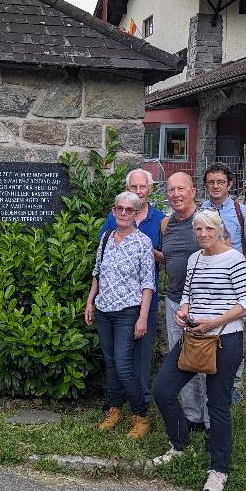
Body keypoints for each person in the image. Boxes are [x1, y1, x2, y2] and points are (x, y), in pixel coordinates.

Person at [152, 210, 246, 491]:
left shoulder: (234, 259)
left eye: (208, 229)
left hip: (225, 340)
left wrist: (214, 322)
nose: (203, 234)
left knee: (218, 404)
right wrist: (183, 311)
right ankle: (179, 444)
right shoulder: (195, 259)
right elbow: (187, 293)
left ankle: (219, 469)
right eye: (198, 230)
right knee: (162, 389)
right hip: (194, 338)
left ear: (219, 230)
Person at [85, 191, 155, 439]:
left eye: (129, 210)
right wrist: (90, 301)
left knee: (124, 365)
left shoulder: (142, 242)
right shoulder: (105, 238)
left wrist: (143, 317)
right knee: (111, 363)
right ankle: (114, 410)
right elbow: (97, 273)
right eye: (119, 209)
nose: (123, 213)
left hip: (128, 312)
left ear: (136, 214)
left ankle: (140, 416)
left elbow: (148, 283)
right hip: (104, 310)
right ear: (113, 211)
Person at [99, 168, 165, 406]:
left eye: (142, 187)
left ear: (150, 189)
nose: (138, 191)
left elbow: (167, 257)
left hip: (144, 297)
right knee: (118, 357)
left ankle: (142, 402)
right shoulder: (115, 218)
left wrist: (145, 250)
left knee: (140, 355)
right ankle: (119, 403)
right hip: (113, 301)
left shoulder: (159, 219)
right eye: (133, 187)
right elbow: (103, 255)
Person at [199, 161, 246, 403]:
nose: (215, 186)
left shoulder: (240, 212)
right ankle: (207, 374)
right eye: (211, 182)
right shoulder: (200, 210)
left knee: (233, 331)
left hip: (231, 280)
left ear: (229, 185)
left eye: (220, 182)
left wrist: (236, 266)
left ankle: (233, 384)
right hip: (206, 279)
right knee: (208, 327)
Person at [158, 172, 210, 432]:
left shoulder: (204, 221)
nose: (176, 194)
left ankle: (211, 416)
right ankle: (192, 415)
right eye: (171, 190)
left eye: (181, 189)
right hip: (174, 299)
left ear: (193, 192)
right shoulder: (166, 225)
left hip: (203, 304)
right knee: (182, 357)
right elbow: (166, 257)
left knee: (205, 359)